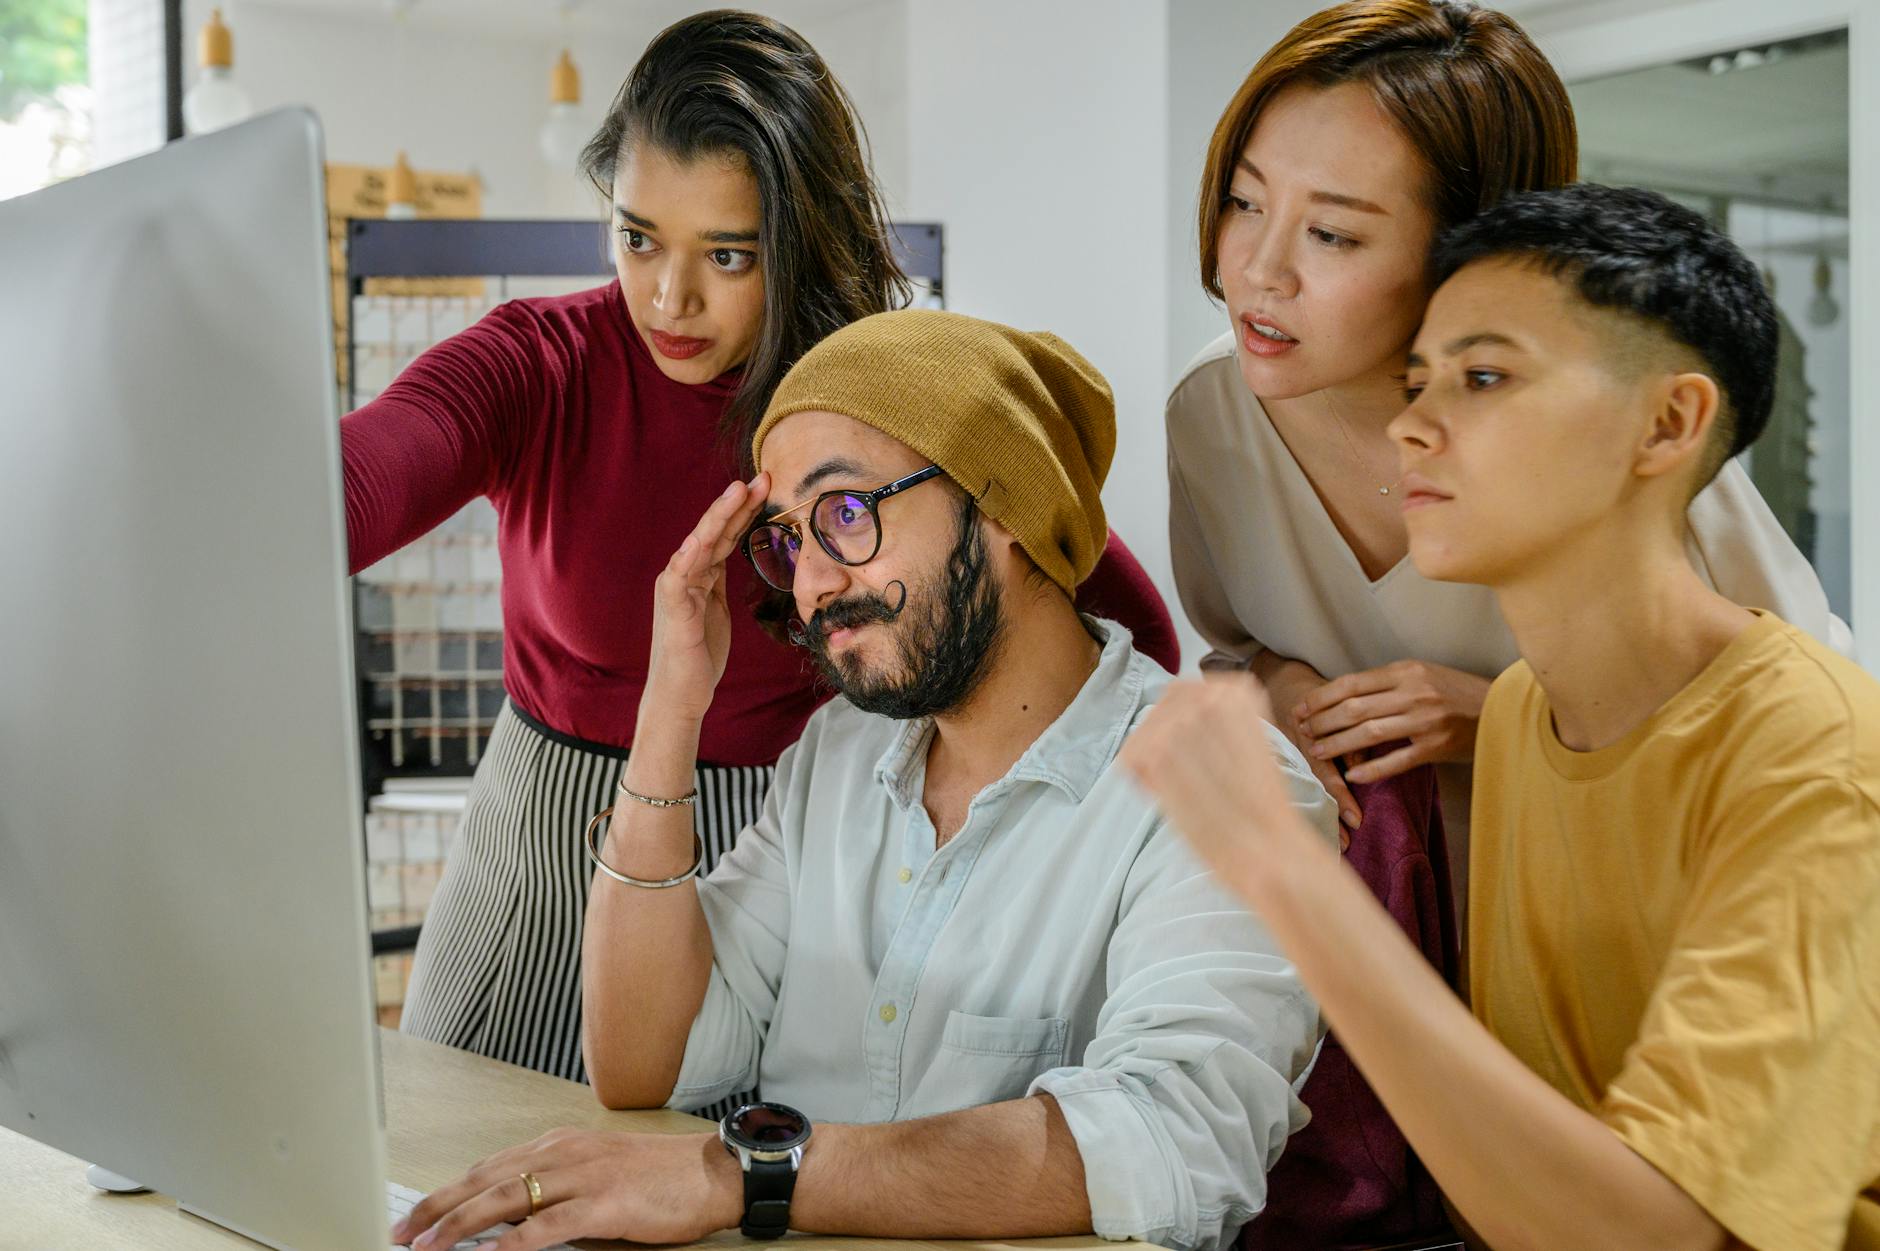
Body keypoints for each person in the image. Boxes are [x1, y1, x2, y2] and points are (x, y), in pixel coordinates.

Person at [342, 11, 1178, 1086]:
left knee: (718, 1176)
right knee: (457, 1159)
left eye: (727, 255)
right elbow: (355, 488)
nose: (668, 299)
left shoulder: (873, 400)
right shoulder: (539, 366)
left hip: (774, 871)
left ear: (800, 238)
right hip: (536, 856)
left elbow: (1115, 618)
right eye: (638, 238)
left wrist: (1215, 777)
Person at [391, 310, 1336, 1251]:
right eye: (788, 540)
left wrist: (742, 1175)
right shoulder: (836, 756)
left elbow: (1173, 1137)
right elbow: (644, 1063)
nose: (809, 585)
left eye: (845, 514)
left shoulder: (1231, 786)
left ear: (1005, 505)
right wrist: (671, 705)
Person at [1127, 184, 1880, 1250]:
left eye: (1483, 378)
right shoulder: (1525, 714)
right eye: (1418, 381)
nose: (1411, 427)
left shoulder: (1816, 762)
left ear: (1667, 423)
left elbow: (1658, 1233)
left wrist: (1286, 878)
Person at [1166, 0, 1844, 910]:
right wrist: (1275, 686)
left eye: (1332, 234)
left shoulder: (1592, 422)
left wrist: (1503, 720)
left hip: (1616, 902)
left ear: (1469, 249)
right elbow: (1235, 647)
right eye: (1246, 203)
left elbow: (1804, 721)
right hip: (1371, 911)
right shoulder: (1211, 410)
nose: (1259, 269)